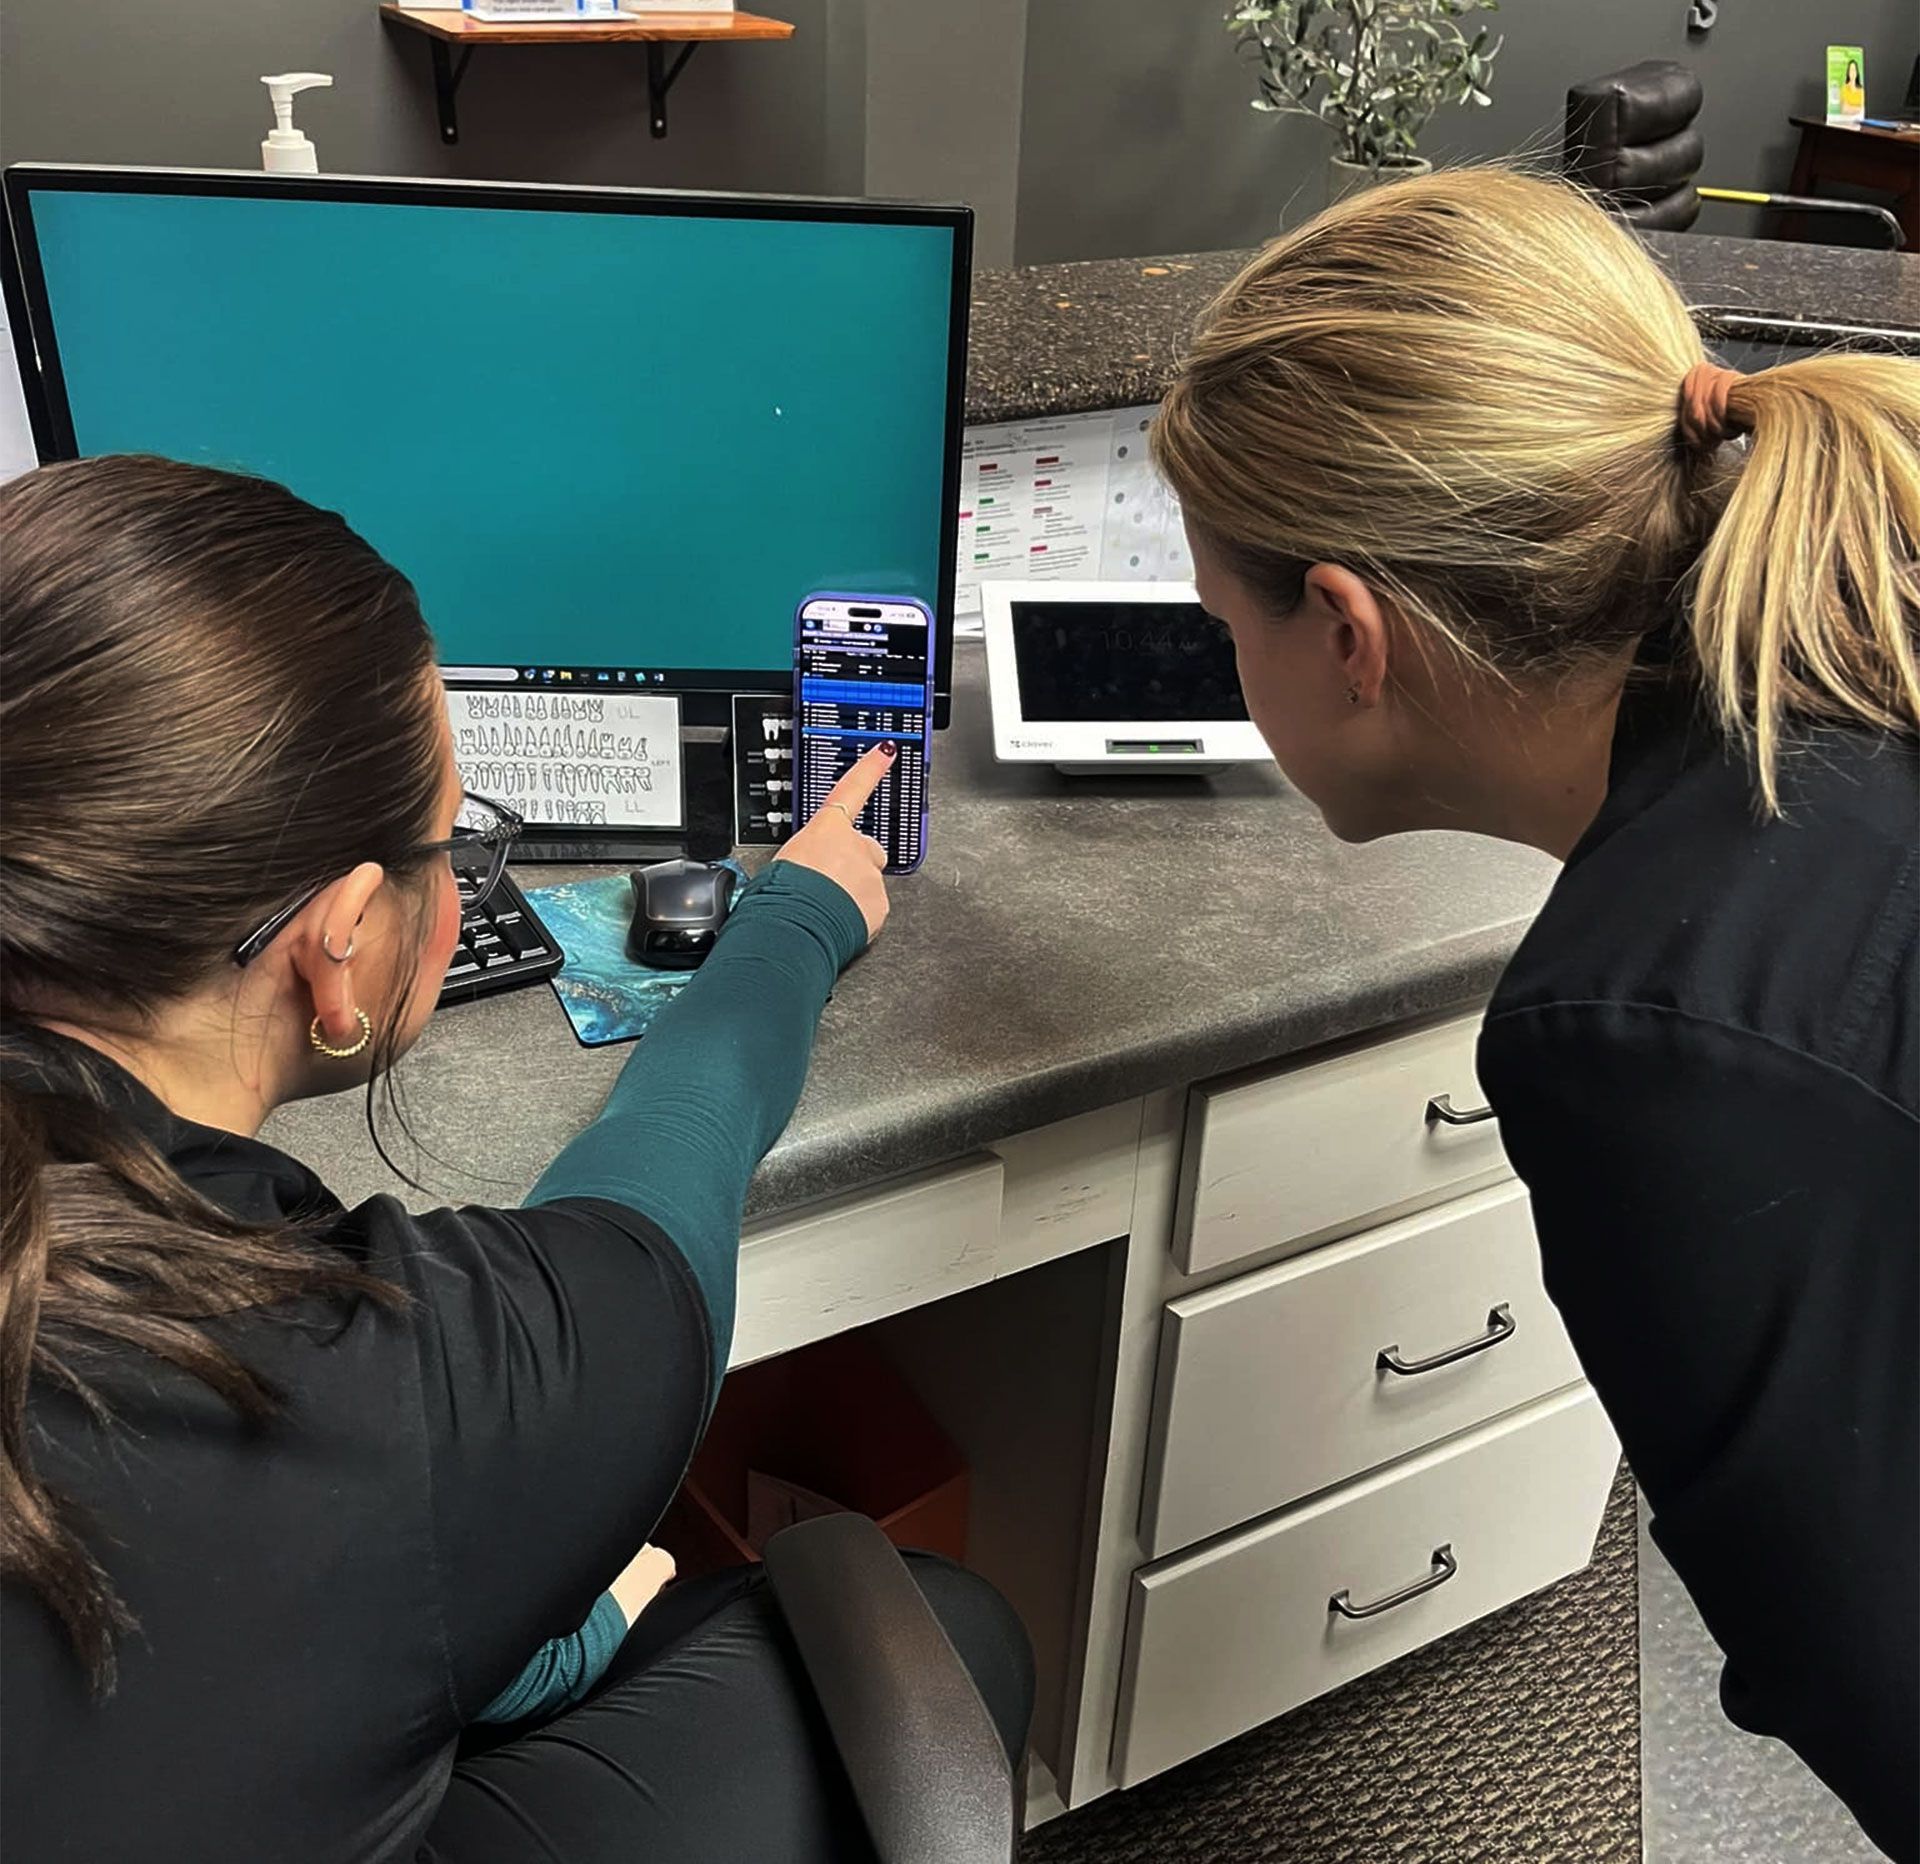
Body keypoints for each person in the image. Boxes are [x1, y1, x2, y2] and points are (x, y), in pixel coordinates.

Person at [0, 456, 1033, 1862]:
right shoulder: (356, 1379)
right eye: (455, 839)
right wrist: (795, 920)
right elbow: (652, 1210)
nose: (462, 865)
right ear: (342, 940)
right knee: (943, 1632)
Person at [1151, 168, 1918, 1862]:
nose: (1230, 668)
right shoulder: (1848, 695)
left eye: (1223, 628)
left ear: (1347, 632)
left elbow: (1882, 1678)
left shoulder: (1653, 1043)